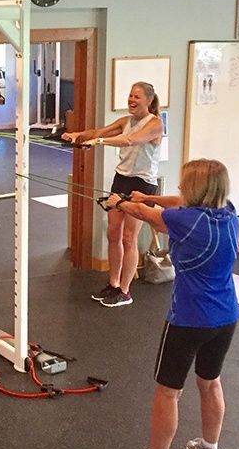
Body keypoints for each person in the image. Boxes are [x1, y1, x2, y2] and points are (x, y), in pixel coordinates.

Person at [105, 159, 239, 449]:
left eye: (184, 185)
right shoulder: (229, 213)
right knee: (210, 383)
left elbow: (147, 216)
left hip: (189, 318)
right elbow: (172, 205)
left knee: (168, 392)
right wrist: (148, 197)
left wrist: (121, 202)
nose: (179, 190)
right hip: (226, 317)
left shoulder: (185, 222)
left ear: (195, 190)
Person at [63, 82, 164, 307]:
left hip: (142, 185)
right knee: (113, 234)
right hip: (121, 180)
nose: (132, 100)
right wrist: (77, 135)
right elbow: (98, 132)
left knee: (129, 237)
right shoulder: (125, 121)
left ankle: (125, 292)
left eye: (137, 96)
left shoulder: (155, 124)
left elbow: (130, 140)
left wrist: (98, 142)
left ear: (148, 100)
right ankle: (114, 283)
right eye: (130, 95)